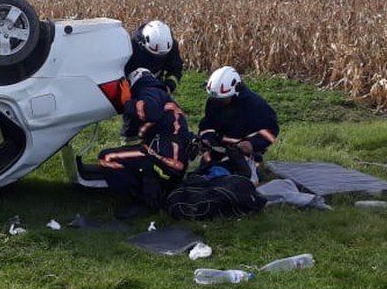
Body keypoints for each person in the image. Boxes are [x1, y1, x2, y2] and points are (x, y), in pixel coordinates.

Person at [98, 68, 194, 218]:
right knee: (130, 156)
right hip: (168, 155)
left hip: (165, 157)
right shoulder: (158, 92)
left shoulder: (148, 91)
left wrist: (127, 102)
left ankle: (139, 199)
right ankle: (149, 191)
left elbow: (150, 112)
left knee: (107, 157)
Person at [197, 66, 280, 182]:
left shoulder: (255, 105)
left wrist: (252, 144)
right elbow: (207, 125)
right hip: (218, 151)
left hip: (243, 155)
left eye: (223, 99)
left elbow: (272, 130)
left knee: (233, 180)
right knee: (202, 175)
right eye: (216, 99)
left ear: (236, 91)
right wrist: (206, 138)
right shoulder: (214, 101)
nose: (219, 102)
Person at [121, 20, 183, 140]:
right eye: (154, 55)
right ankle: (129, 141)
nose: (158, 59)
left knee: (158, 115)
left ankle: (153, 142)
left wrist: (169, 85)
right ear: (144, 42)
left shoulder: (170, 45)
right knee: (133, 117)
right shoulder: (131, 46)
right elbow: (124, 71)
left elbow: (176, 68)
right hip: (134, 82)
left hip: (156, 81)